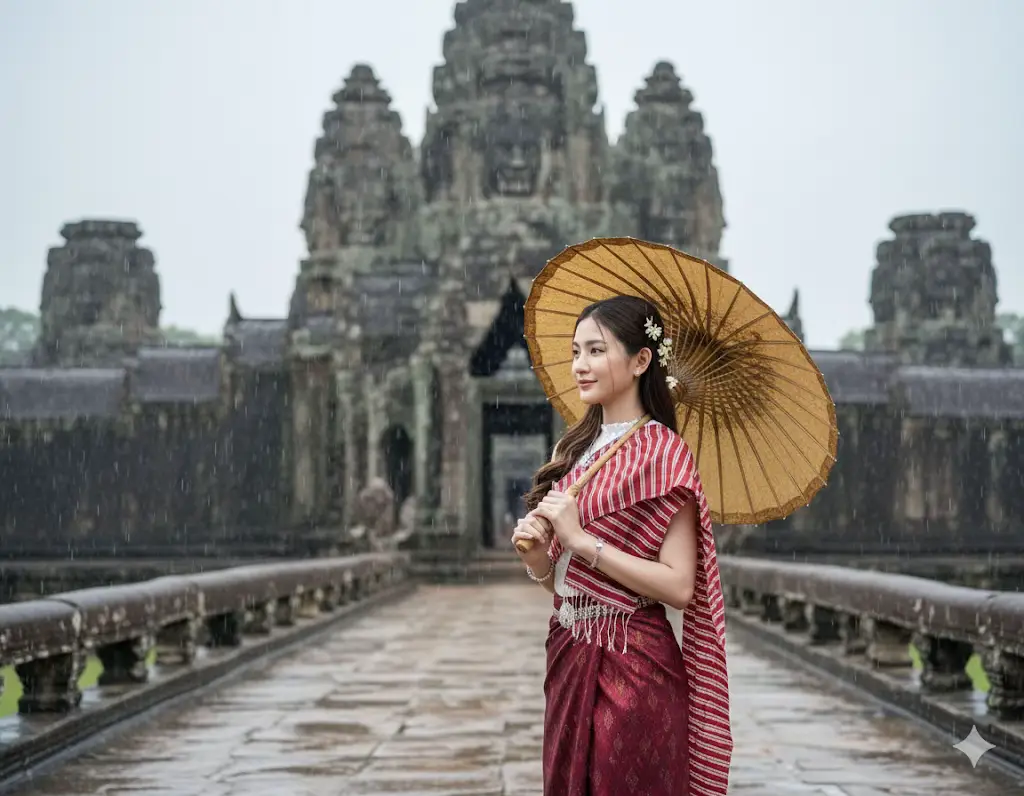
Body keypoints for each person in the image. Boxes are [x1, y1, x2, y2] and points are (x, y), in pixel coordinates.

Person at [511, 295, 733, 796]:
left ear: (640, 360)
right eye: (576, 351)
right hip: (568, 650)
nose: (580, 365)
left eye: (596, 350)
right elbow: (565, 585)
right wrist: (538, 559)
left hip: (633, 662)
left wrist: (579, 539)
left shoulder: (665, 454)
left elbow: (679, 586)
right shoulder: (574, 450)